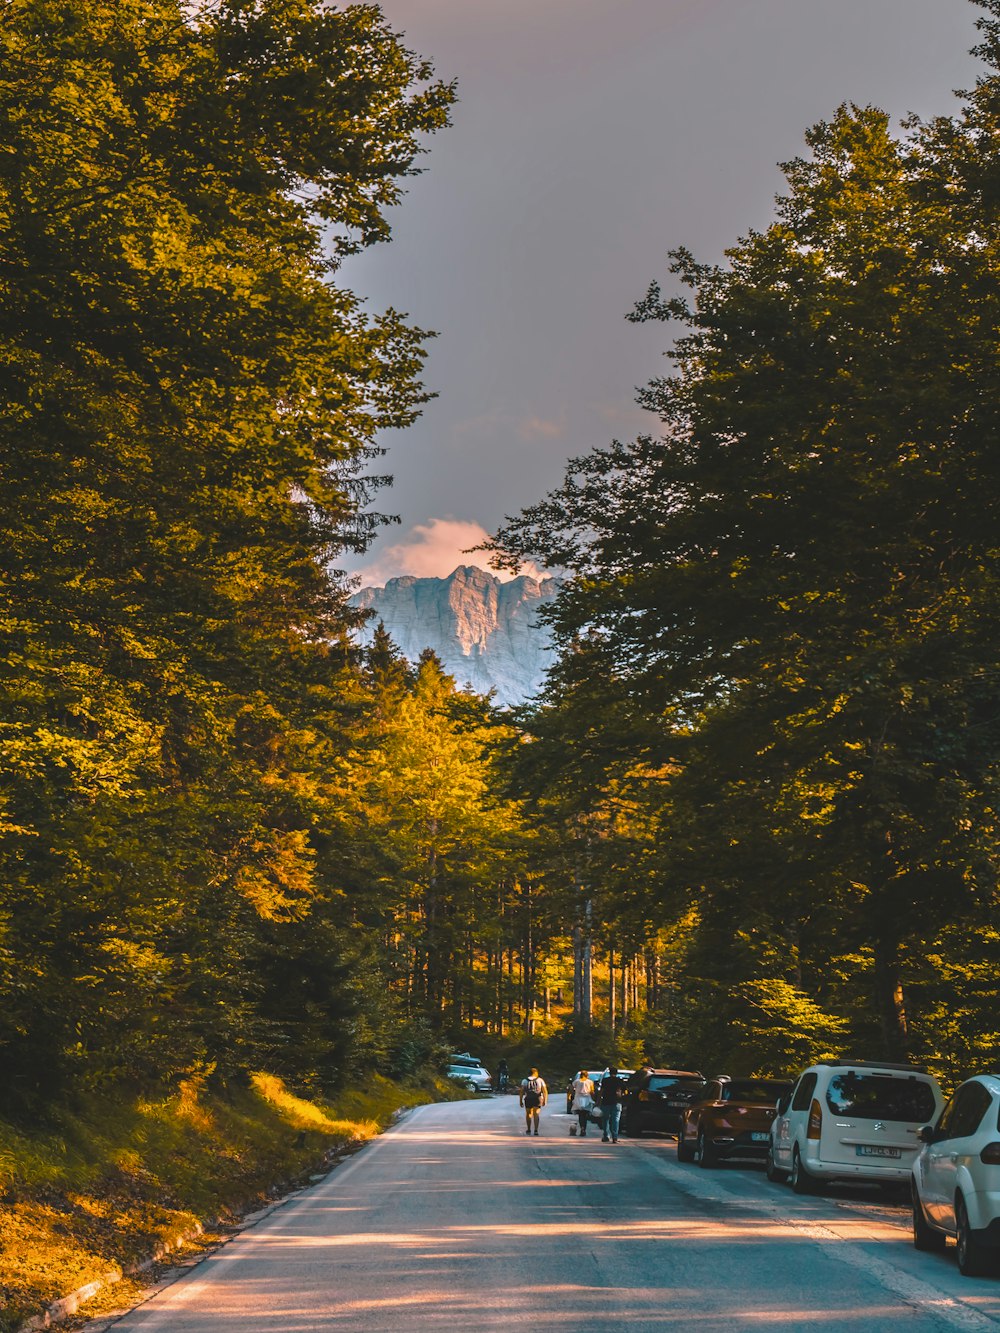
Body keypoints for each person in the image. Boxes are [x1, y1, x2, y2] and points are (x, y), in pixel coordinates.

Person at [598, 1065, 625, 1142]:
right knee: (615, 1120)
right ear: (616, 1073)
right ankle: (615, 1137)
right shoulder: (620, 1081)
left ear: (609, 1073)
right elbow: (625, 1091)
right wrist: (622, 1095)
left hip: (606, 1102)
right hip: (617, 1102)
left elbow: (601, 1091)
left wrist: (598, 1102)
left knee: (605, 1119)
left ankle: (606, 1135)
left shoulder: (605, 1080)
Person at [520, 1067, 547, 1135]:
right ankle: (536, 1130)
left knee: (528, 1114)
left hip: (528, 1098)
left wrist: (520, 1100)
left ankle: (529, 1129)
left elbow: (521, 1091)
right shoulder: (540, 1080)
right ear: (536, 1073)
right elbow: (544, 1091)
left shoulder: (524, 1080)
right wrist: (545, 1100)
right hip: (537, 1098)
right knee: (536, 1114)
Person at [571, 1069, 596, 1137]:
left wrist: (572, 1095)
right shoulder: (590, 1082)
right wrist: (594, 1098)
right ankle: (584, 1128)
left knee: (580, 1115)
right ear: (587, 1075)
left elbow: (572, 1088)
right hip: (587, 1098)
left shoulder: (576, 1081)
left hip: (578, 1098)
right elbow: (592, 1091)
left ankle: (582, 1127)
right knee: (585, 1115)